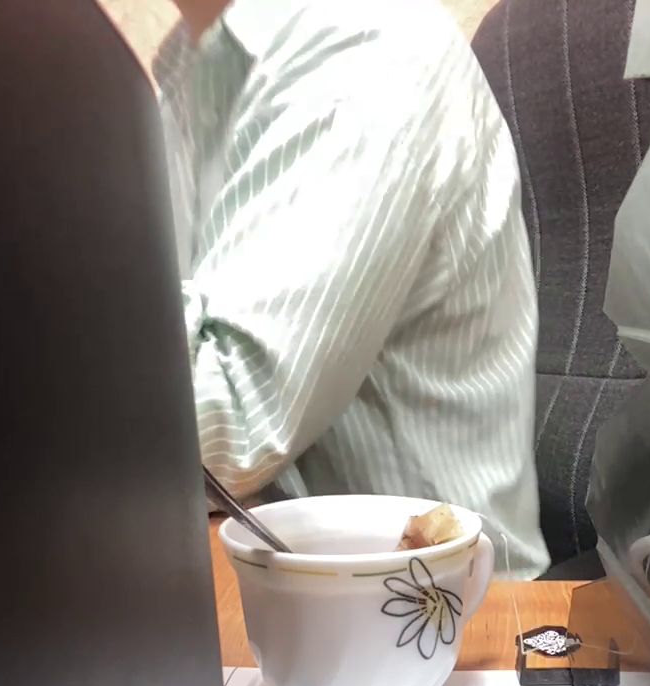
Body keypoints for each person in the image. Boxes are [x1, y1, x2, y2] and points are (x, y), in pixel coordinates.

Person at [154, 0, 549, 576]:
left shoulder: (365, 43)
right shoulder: (183, 67)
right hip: (284, 580)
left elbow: (213, 437)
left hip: (446, 605)